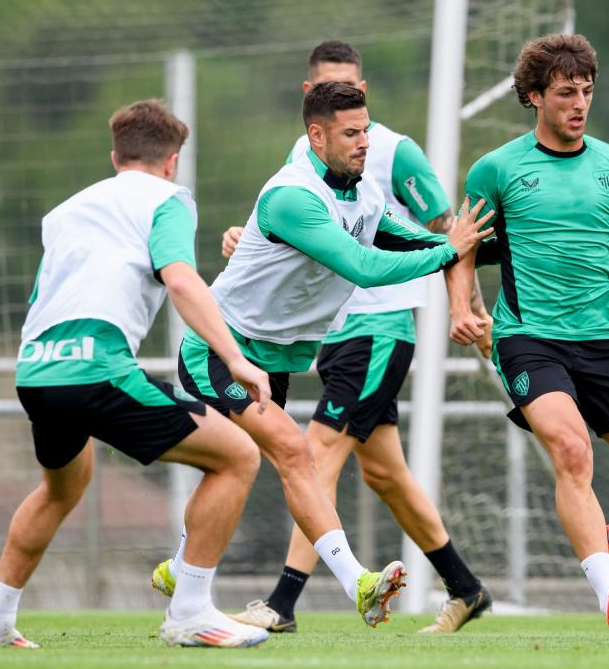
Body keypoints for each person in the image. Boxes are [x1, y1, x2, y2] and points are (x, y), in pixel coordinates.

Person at [151, 81, 494, 629]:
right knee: (296, 453)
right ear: (316, 134)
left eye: (367, 130)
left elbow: (403, 240)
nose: (364, 142)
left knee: (247, 467)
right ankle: (354, 582)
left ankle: (182, 569)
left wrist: (483, 245)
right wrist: (450, 250)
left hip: (278, 359)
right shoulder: (294, 196)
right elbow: (363, 266)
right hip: (221, 349)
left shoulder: (363, 192)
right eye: (351, 133)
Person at [0, 100, 272, 649]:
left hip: (37, 369)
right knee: (238, 456)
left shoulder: (64, 210)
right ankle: (191, 612)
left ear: (115, 156)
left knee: (61, 488)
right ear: (172, 161)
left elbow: (48, 292)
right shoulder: (169, 199)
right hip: (98, 368)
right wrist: (235, 357)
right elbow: (180, 280)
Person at [449, 34, 609, 641]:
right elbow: (461, 249)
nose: (579, 104)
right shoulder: (497, 169)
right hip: (527, 339)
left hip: (603, 340)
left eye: (587, 91)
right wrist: (462, 308)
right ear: (534, 97)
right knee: (571, 451)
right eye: (566, 93)